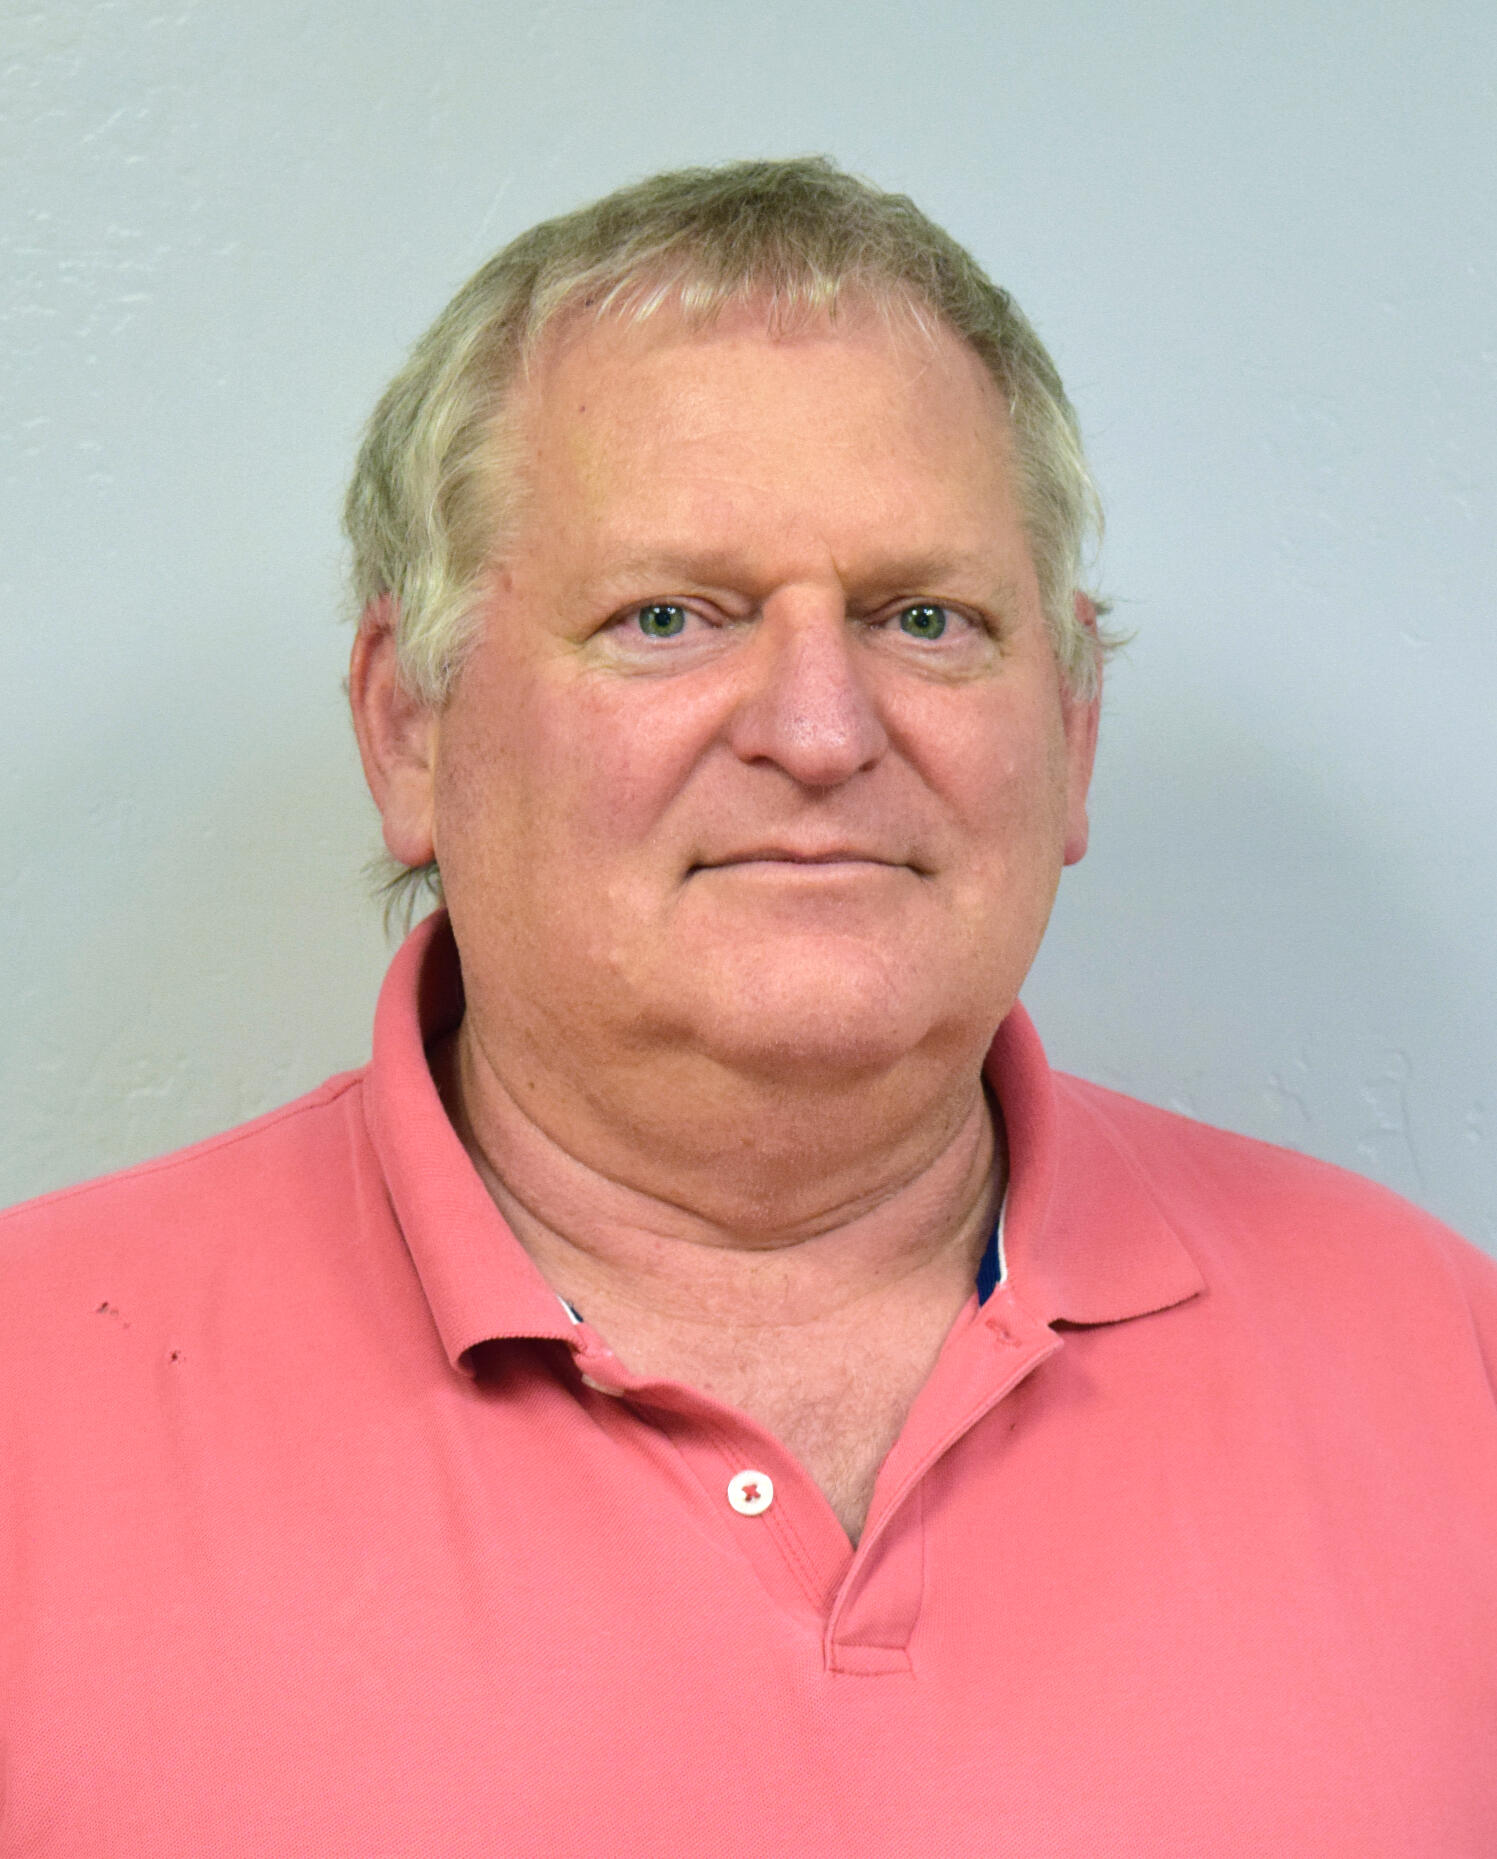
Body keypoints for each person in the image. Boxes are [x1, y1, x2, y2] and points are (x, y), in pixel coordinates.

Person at [2, 158, 1494, 1857]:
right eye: (667, 618)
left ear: (1070, 733)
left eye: (924, 619)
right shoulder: (34, 1409)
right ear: (409, 728)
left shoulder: (1442, 1372)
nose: (820, 729)